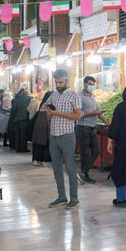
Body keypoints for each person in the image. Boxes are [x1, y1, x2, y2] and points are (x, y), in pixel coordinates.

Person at [46, 69, 83, 209]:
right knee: (56, 169)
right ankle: (61, 197)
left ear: (67, 81)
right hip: (54, 136)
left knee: (70, 168)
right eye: (56, 82)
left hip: (67, 136)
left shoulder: (74, 96)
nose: (58, 85)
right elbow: (48, 113)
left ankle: (74, 198)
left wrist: (58, 113)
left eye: (60, 82)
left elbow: (78, 116)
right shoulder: (53, 96)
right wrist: (49, 114)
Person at [76, 76, 109, 184]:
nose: (91, 86)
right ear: (85, 84)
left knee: (96, 151)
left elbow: (99, 111)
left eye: (93, 84)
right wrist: (91, 113)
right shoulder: (79, 97)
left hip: (92, 128)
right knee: (85, 152)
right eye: (90, 84)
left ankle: (83, 172)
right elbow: (78, 114)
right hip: (83, 128)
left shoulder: (92, 96)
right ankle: (84, 174)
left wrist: (107, 122)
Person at [30, 92, 53, 167]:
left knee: (38, 143)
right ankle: (44, 160)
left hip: (38, 125)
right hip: (45, 125)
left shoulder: (42, 103)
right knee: (45, 143)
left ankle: (36, 160)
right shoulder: (49, 105)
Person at [9, 88, 31, 153]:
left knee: (17, 135)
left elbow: (13, 109)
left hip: (16, 120)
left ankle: (18, 148)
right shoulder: (29, 99)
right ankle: (23, 148)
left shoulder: (17, 100)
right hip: (24, 119)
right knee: (23, 135)